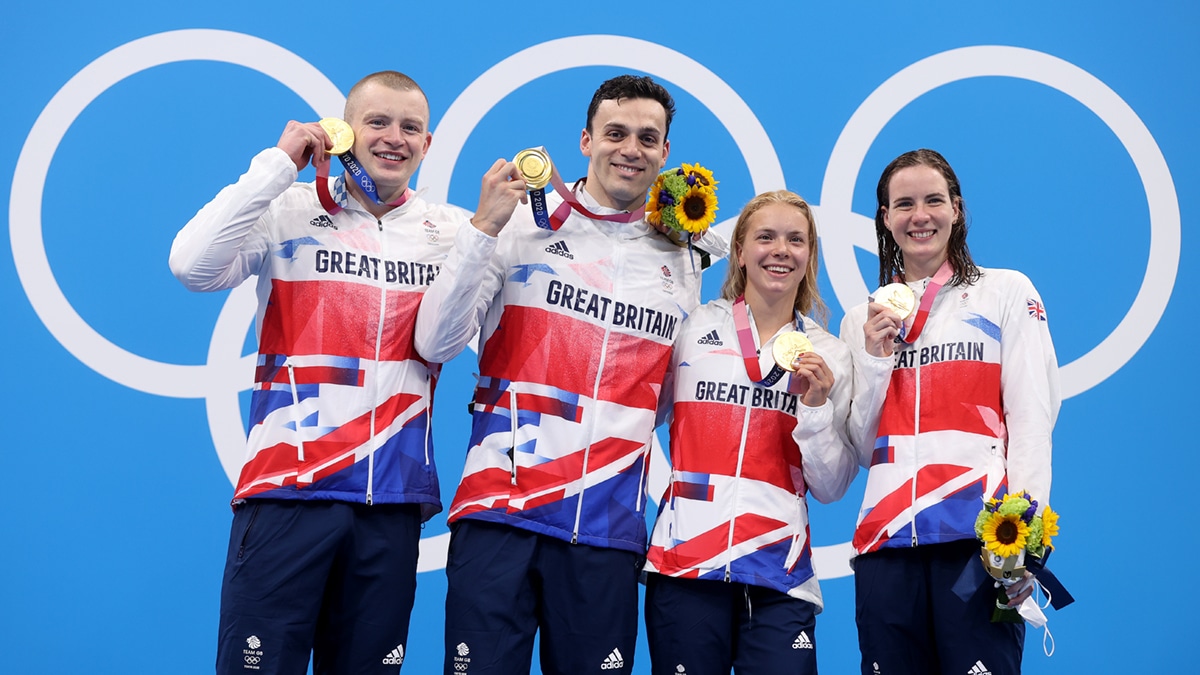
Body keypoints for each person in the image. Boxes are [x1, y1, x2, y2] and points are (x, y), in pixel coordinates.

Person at [414, 74, 721, 675]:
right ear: (585, 140)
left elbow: (659, 398)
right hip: (501, 511)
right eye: (615, 133)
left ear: (664, 154)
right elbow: (435, 341)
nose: (631, 149)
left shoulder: (685, 258)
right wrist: (482, 231)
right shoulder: (521, 224)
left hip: (606, 527)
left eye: (648, 138)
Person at [169, 70, 468, 674]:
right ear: (343, 133)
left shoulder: (451, 233)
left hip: (391, 503)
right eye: (377, 122)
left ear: (428, 144)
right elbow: (191, 265)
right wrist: (277, 165)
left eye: (410, 127)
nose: (393, 138)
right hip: (288, 493)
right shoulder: (288, 210)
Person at [840, 149, 1060, 675]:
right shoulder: (860, 320)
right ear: (886, 218)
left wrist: (1024, 537)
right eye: (904, 204)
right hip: (887, 545)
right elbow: (859, 443)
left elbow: (1032, 416)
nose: (920, 216)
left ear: (956, 210)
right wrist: (873, 360)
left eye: (934, 201)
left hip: (979, 541)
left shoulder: (1006, 291)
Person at [642, 190, 858, 675]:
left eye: (795, 240)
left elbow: (831, 486)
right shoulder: (692, 328)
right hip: (686, 564)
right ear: (739, 251)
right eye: (766, 237)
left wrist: (817, 407)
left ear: (810, 257)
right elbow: (637, 411)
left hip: (780, 574)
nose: (781, 249)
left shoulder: (829, 354)